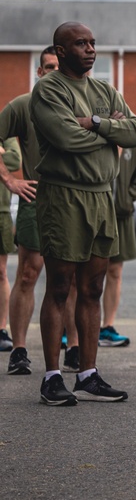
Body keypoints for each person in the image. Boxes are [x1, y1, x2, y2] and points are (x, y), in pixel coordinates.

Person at [31, 22, 136, 405]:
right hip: (63, 196)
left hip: (101, 198)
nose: (90, 49)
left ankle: (88, 375)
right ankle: (51, 377)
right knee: (60, 287)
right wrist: (110, 133)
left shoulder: (104, 90)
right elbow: (65, 138)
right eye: (81, 44)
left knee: (93, 288)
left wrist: (97, 122)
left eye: (93, 43)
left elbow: (135, 133)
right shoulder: (48, 89)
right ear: (60, 51)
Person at [0, 47, 66, 375]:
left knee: (71, 278)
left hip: (73, 202)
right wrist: (11, 180)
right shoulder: (24, 105)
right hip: (35, 199)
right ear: (40, 72)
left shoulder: (79, 102)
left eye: (59, 66)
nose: (54, 72)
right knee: (29, 273)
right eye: (48, 67)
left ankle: (76, 350)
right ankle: (19, 350)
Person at [99, 146, 136, 348]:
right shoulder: (95, 131)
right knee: (82, 272)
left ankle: (107, 328)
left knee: (115, 271)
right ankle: (71, 330)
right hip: (94, 212)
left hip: (121, 216)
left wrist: (128, 197)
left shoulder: (132, 140)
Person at [0, 138, 21, 351]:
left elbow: (15, 160)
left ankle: (1, 329)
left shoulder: (5, 130)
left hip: (1, 212)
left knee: (1, 271)